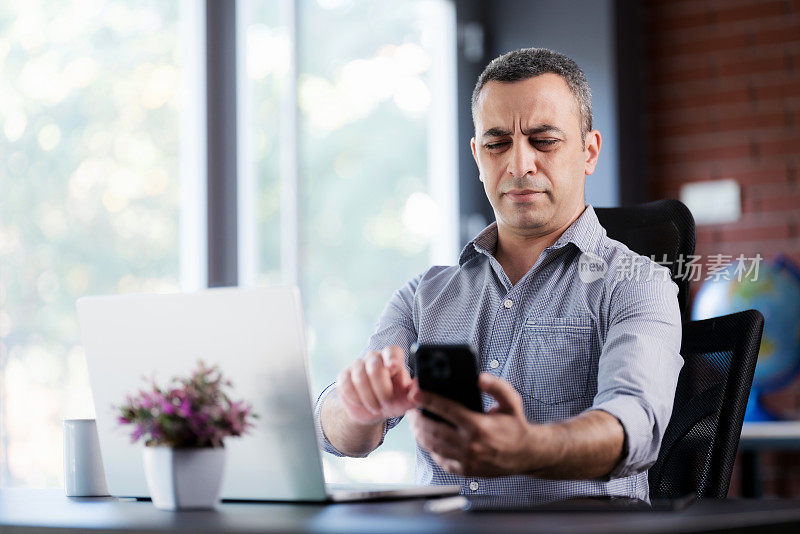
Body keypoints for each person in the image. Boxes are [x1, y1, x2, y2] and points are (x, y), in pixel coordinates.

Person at [313, 47, 682, 502]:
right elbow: (339, 437)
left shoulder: (637, 283)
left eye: (544, 140)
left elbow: (636, 426)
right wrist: (358, 405)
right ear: (477, 155)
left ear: (589, 152)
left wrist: (529, 449)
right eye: (496, 144)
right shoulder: (424, 296)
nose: (518, 165)